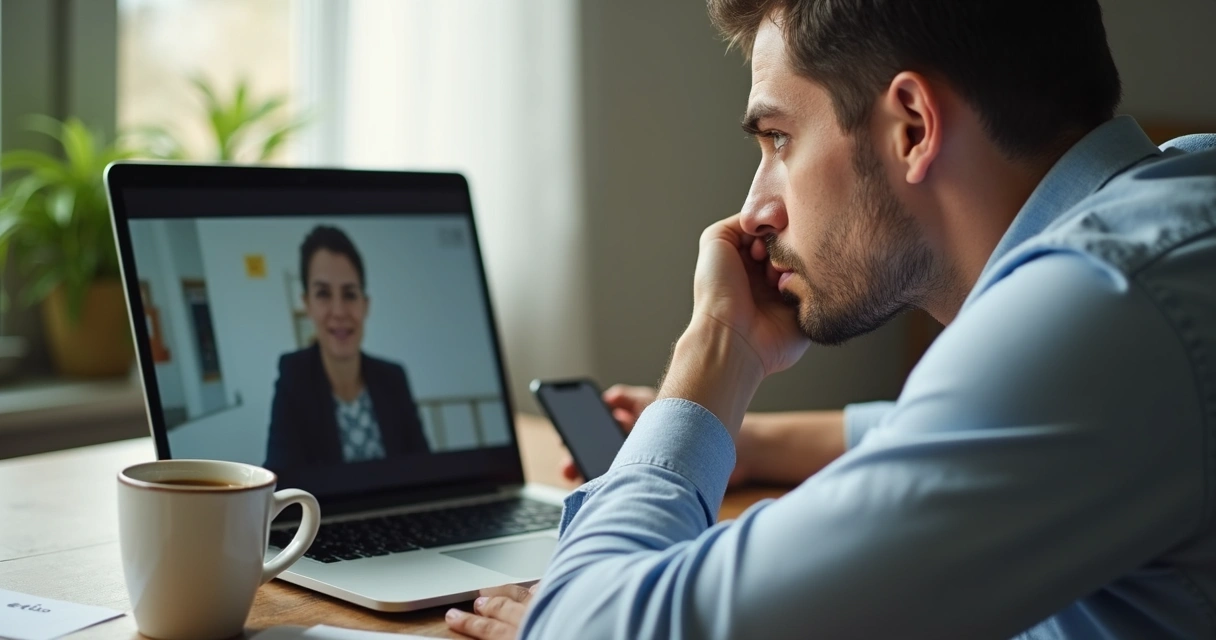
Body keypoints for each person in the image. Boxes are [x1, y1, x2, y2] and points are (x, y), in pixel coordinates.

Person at [444, 0, 1216, 638]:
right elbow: (955, 433)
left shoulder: (1098, 307)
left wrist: (715, 354)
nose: (755, 208)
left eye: (778, 137)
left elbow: (597, 625)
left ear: (911, 125)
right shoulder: (1170, 211)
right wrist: (747, 447)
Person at [264, 225, 429, 472]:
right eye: (323, 294)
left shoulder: (394, 378)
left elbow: (426, 469)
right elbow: (280, 482)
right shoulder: (293, 376)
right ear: (307, 304)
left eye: (350, 294)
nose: (339, 311)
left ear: (365, 305)